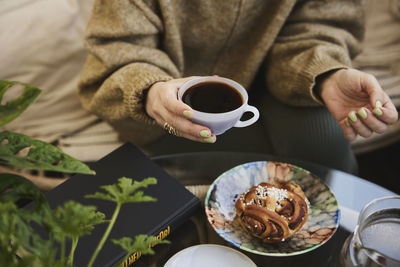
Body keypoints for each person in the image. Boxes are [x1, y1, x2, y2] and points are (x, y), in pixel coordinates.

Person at [78, 0, 398, 174]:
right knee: (273, 169)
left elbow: (318, 25)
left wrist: (326, 73)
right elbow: (120, 49)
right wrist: (150, 91)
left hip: (280, 79)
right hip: (165, 105)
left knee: (325, 143)